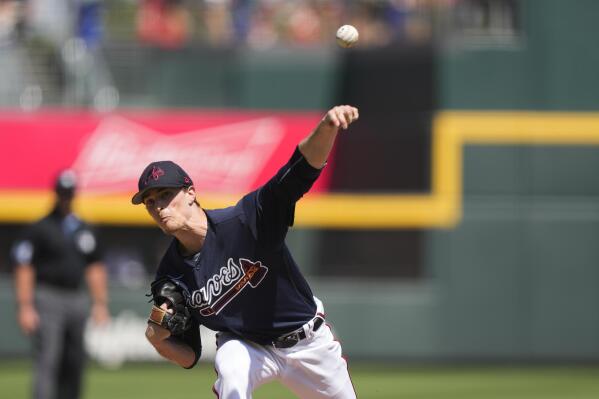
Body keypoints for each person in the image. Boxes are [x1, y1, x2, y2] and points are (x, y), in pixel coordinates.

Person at [134, 105, 359, 398]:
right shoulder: (170, 275)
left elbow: (299, 170)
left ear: (191, 193)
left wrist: (328, 126)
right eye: (150, 201)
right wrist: (158, 340)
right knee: (231, 369)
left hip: (306, 340)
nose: (159, 206)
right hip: (246, 345)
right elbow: (188, 355)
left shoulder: (245, 220)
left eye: (166, 194)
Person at [12, 169, 110, 399]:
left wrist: (100, 303)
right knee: (49, 358)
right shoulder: (40, 228)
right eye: (62, 193)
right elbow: (24, 267)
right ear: (56, 194)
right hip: (48, 297)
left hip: (76, 297)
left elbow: (95, 267)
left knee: (75, 359)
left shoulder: (84, 229)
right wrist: (25, 305)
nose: (66, 198)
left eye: (69, 193)